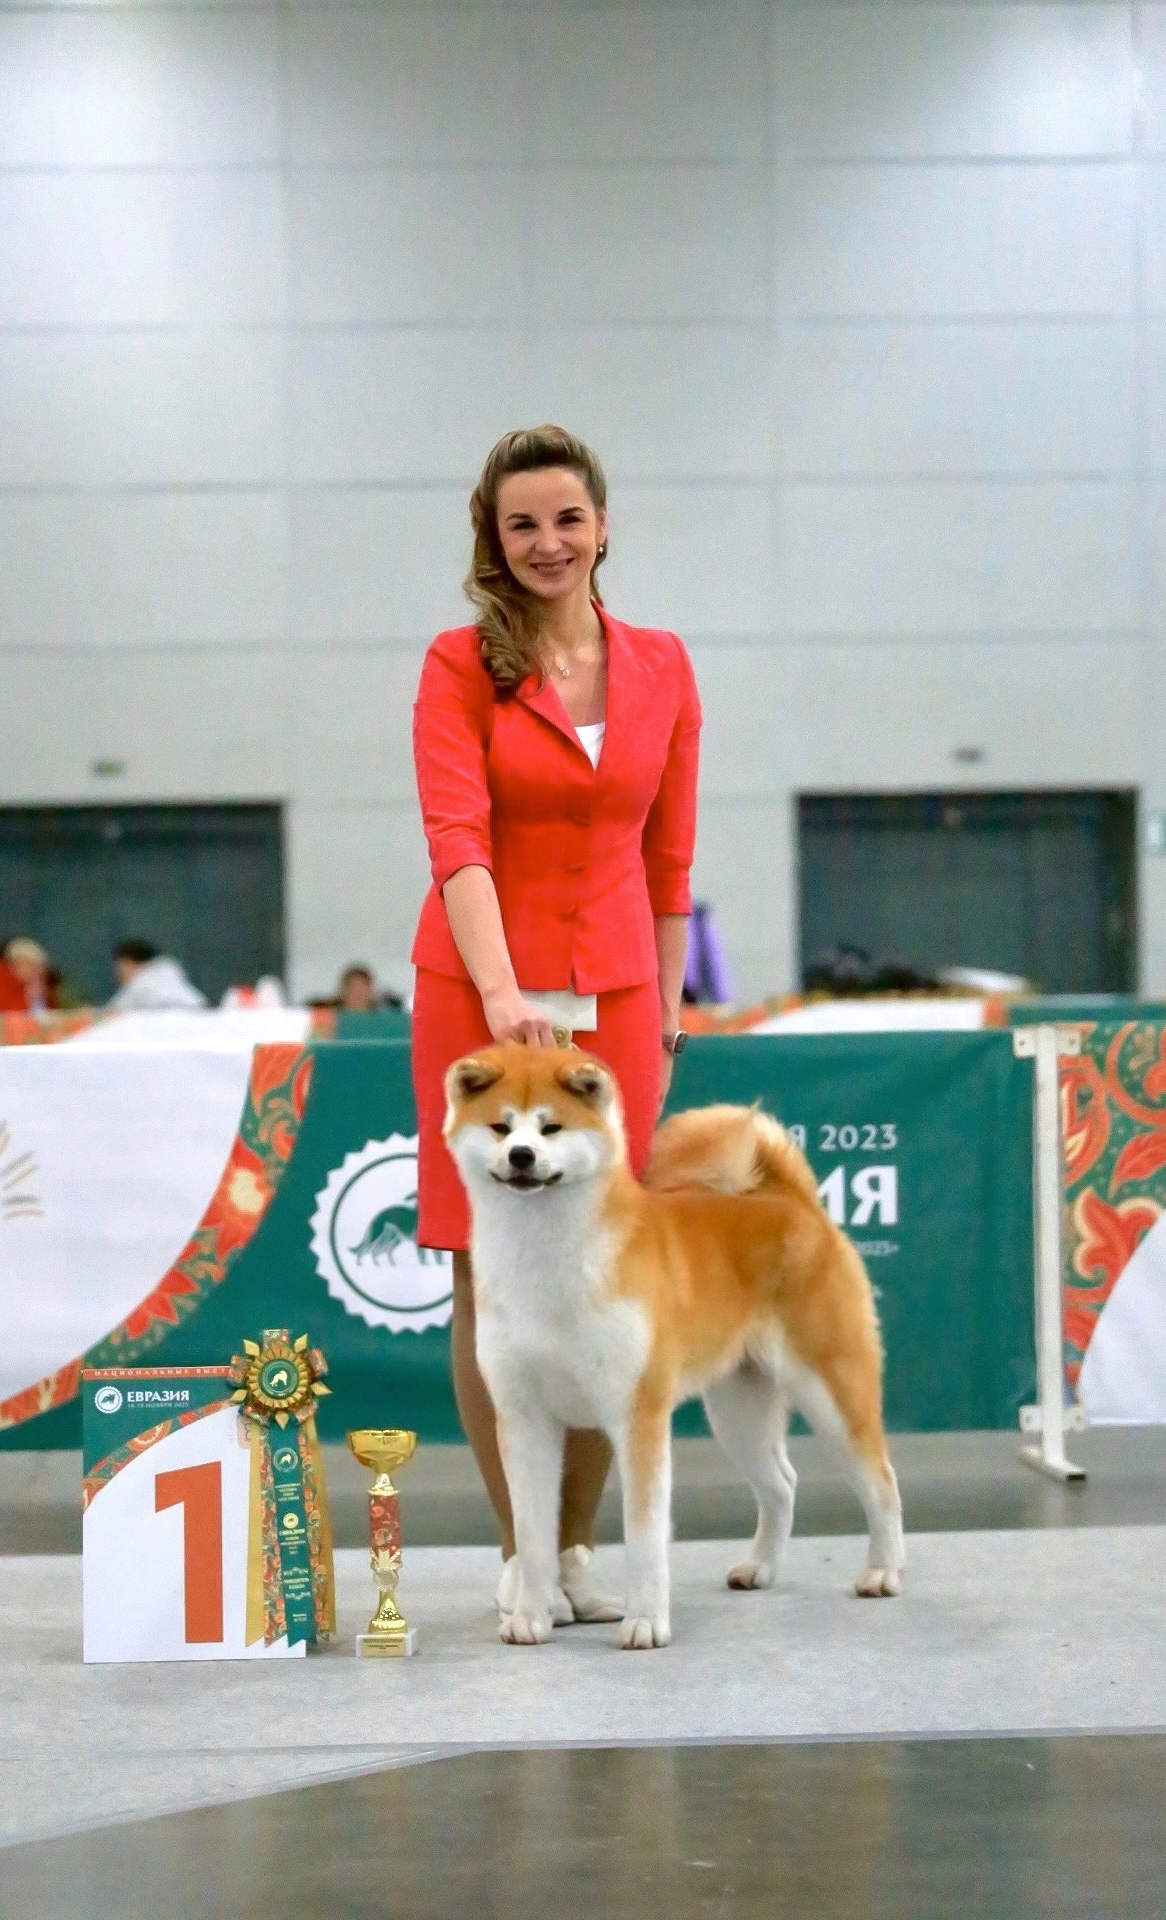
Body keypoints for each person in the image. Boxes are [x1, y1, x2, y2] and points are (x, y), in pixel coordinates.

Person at [410, 424, 701, 1624]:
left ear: (602, 527)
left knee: (601, 1274)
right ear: (493, 536)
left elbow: (669, 858)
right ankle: (521, 1552)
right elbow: (456, 839)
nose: (546, 542)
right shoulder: (456, 665)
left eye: (566, 519)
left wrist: (666, 1006)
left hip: (617, 1000)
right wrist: (501, 996)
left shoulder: (663, 665)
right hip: (479, 995)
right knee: (485, 1266)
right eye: (520, 523)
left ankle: (578, 1547)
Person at [109, 940, 207, 1012]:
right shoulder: (171, 977)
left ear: (130, 963)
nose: (118, 974)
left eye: (121, 967)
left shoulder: (143, 983)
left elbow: (115, 1012)